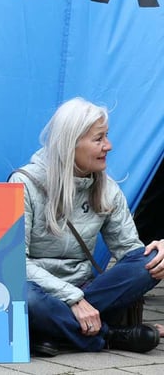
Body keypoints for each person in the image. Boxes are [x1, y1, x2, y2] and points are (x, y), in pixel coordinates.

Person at [11, 98, 164, 356]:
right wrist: (72, 298)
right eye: (99, 139)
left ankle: (52, 332)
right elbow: (15, 263)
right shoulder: (24, 184)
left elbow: (130, 253)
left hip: (88, 290)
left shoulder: (108, 189)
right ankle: (109, 336)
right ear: (70, 143)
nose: (109, 146)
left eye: (107, 136)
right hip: (40, 289)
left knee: (149, 262)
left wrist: (158, 252)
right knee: (26, 297)